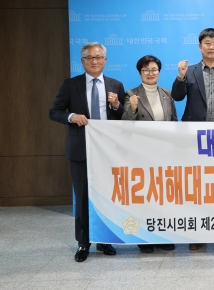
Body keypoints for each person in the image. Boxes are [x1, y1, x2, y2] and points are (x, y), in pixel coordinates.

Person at [49, 42, 125, 262]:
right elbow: (54, 111)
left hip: (108, 151)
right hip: (80, 149)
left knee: (108, 196)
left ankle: (105, 241)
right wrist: (71, 117)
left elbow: (122, 117)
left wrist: (116, 105)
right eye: (90, 57)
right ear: (82, 61)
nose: (94, 61)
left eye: (98, 57)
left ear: (105, 60)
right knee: (83, 198)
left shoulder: (116, 85)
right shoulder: (71, 84)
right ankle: (83, 243)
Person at [172, 28, 214, 250]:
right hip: (195, 136)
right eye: (207, 43)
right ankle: (197, 234)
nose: (212, 47)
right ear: (200, 46)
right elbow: (177, 96)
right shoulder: (189, 71)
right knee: (197, 184)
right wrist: (180, 77)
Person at [122, 55, 177, 253]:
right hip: (142, 154)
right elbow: (125, 122)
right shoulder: (131, 94)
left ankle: (163, 236)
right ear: (140, 73)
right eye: (146, 70)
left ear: (159, 72)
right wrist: (133, 108)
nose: (150, 73)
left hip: (165, 154)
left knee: (163, 196)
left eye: (154, 69)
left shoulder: (166, 93)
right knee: (145, 195)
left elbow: (174, 121)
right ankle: (144, 238)